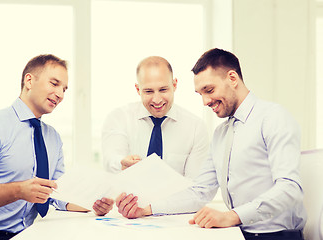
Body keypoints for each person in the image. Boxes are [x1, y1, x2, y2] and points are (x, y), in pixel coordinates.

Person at [115, 48, 306, 240]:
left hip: (277, 235)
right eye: (200, 94)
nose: (205, 101)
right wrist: (145, 210)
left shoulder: (273, 117)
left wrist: (232, 216)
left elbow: (290, 188)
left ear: (232, 78)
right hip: (238, 233)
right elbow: (199, 192)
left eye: (209, 90)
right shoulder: (221, 134)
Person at [0, 54, 113, 240]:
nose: (60, 94)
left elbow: (57, 191)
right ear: (29, 80)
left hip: (26, 234)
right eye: (54, 84)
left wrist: (91, 203)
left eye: (64, 89)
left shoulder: (52, 138)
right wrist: (19, 190)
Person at [102, 56, 209, 179]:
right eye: (148, 91)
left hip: (176, 198)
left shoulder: (195, 127)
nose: (157, 100)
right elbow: (111, 160)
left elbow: (194, 183)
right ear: (138, 89)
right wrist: (122, 163)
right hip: (130, 197)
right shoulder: (118, 118)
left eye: (163, 90)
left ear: (174, 85)